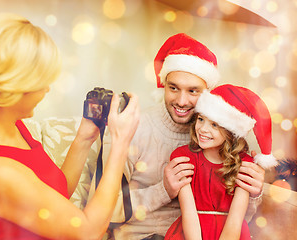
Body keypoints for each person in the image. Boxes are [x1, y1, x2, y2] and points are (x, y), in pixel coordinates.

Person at [0, 13, 140, 239]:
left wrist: (84, 139)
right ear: (16, 87)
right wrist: (121, 142)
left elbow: (53, 196)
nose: (47, 90)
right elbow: (87, 231)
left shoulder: (9, 127)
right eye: (43, 83)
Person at [97, 33, 267, 240]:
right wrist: (163, 190)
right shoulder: (134, 127)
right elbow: (100, 212)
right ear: (164, 85)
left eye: (193, 91)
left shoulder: (219, 139)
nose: (181, 101)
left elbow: (236, 220)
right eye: (174, 88)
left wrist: (254, 193)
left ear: (208, 95)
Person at [164, 84, 278, 240]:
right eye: (201, 119)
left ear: (230, 132)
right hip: (191, 232)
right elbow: (188, 212)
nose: (203, 129)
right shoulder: (183, 156)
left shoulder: (244, 163)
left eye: (214, 125)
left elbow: (236, 220)